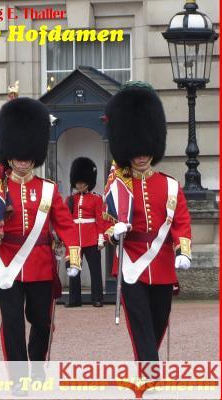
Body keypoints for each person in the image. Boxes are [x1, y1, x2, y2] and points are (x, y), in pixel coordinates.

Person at [0, 98, 81, 367]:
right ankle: (19, 376)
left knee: (42, 322)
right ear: (9, 154)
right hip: (7, 264)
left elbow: (66, 224)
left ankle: (36, 365)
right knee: (12, 324)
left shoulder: (48, 189)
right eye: (17, 156)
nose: (22, 162)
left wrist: (74, 256)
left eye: (27, 157)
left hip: (40, 264)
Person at [103, 81, 192, 361]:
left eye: (145, 150)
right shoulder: (118, 185)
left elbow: (181, 221)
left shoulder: (170, 186)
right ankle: (149, 371)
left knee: (159, 319)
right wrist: (113, 232)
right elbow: (103, 223)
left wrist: (183, 250)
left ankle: (146, 360)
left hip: (162, 262)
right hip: (131, 263)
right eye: (136, 151)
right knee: (140, 321)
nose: (141, 156)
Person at [65, 157, 104, 307]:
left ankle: (97, 298)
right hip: (74, 239)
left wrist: (101, 237)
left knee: (95, 270)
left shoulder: (96, 199)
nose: (79, 185)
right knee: (74, 269)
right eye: (77, 182)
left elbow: (100, 219)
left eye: (82, 182)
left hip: (91, 238)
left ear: (88, 182)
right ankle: (75, 299)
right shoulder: (70, 199)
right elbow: (65, 220)